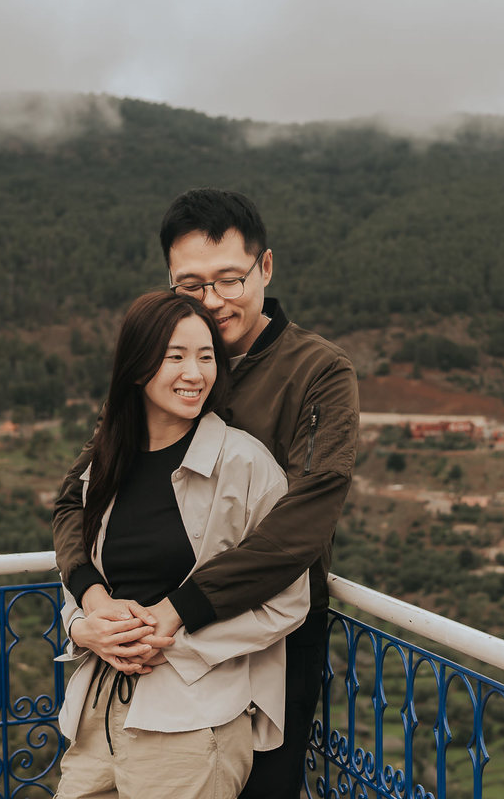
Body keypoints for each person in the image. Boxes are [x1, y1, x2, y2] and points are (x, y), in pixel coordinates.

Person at [53, 188, 359, 797]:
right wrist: (90, 601)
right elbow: (75, 498)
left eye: (229, 280)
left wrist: (179, 611)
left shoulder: (317, 371)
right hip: (141, 658)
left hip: (267, 627)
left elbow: (301, 523)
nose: (212, 301)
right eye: (190, 287)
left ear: (264, 269)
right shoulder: (153, 382)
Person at [53, 291, 310, 799]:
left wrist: (172, 643)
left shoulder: (245, 464)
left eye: (206, 356)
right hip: (97, 715)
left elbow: (287, 598)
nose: (194, 373)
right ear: (136, 366)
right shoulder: (107, 461)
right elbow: (86, 569)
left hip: (193, 725)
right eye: (175, 356)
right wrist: (86, 625)